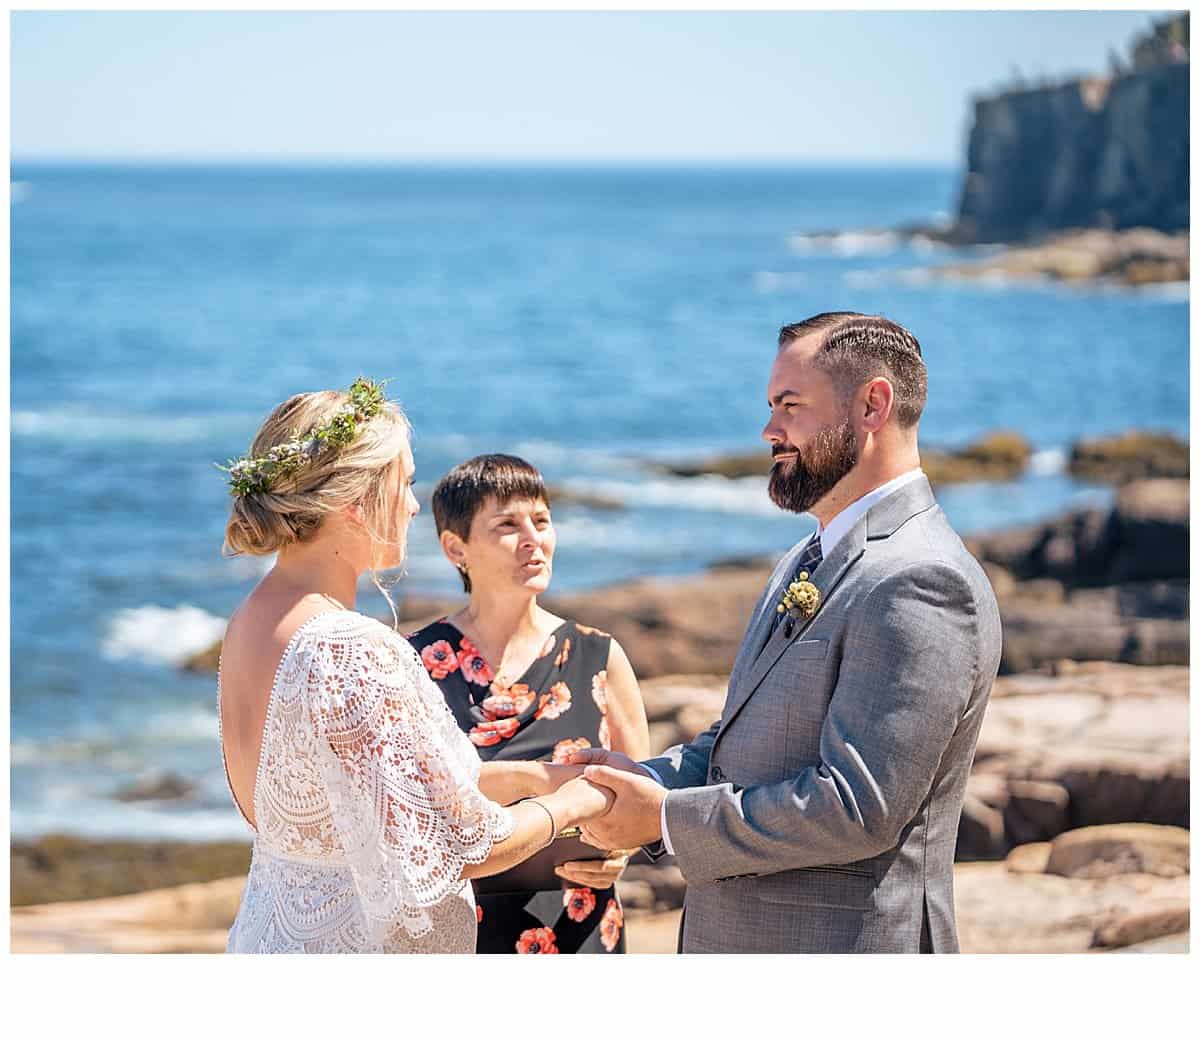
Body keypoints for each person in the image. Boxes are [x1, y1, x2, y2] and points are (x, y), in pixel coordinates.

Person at [571, 313, 1003, 954]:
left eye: (790, 406)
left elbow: (859, 807)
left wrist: (662, 818)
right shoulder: (806, 558)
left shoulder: (923, 579)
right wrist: (642, 779)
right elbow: (745, 740)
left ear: (872, 405)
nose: (769, 430)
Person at [216, 379, 612, 953]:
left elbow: (363, 795)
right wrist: (577, 803)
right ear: (356, 503)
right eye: (404, 483)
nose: (410, 504)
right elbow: (467, 844)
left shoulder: (249, 622)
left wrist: (535, 777)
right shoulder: (349, 648)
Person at [408, 454, 650, 954]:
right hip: (454, 930)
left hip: (582, 926)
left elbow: (642, 793)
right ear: (456, 548)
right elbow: (405, 808)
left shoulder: (599, 655)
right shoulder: (414, 663)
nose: (532, 539)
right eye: (507, 525)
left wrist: (620, 853)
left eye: (541, 521)